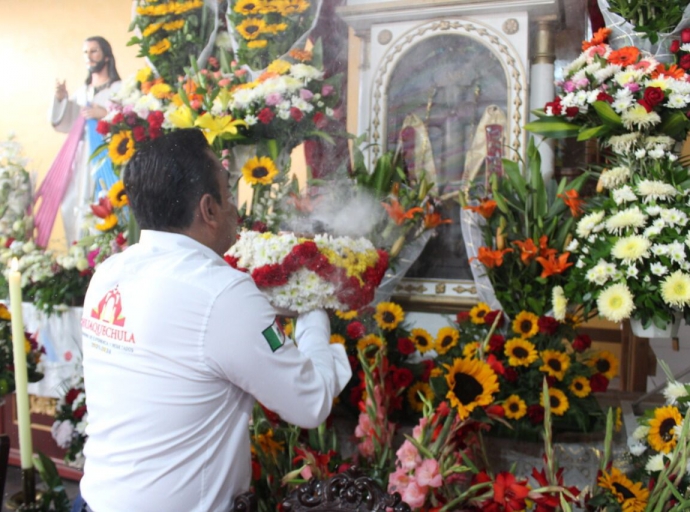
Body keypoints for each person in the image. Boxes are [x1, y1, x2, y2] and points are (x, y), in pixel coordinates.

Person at [77, 128, 351, 512]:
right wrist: (314, 308)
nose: (236, 209)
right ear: (208, 209)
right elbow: (310, 403)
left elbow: (184, 343)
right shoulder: (222, 293)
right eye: (229, 192)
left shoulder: (109, 273)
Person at [42, 36, 122, 246]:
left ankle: (107, 249)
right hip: (80, 161)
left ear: (106, 56)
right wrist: (61, 99)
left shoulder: (118, 88)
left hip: (106, 157)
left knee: (105, 200)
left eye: (94, 51)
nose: (89, 56)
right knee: (73, 203)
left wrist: (103, 113)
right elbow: (64, 122)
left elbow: (129, 117)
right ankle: (81, 258)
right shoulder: (82, 92)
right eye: (85, 52)